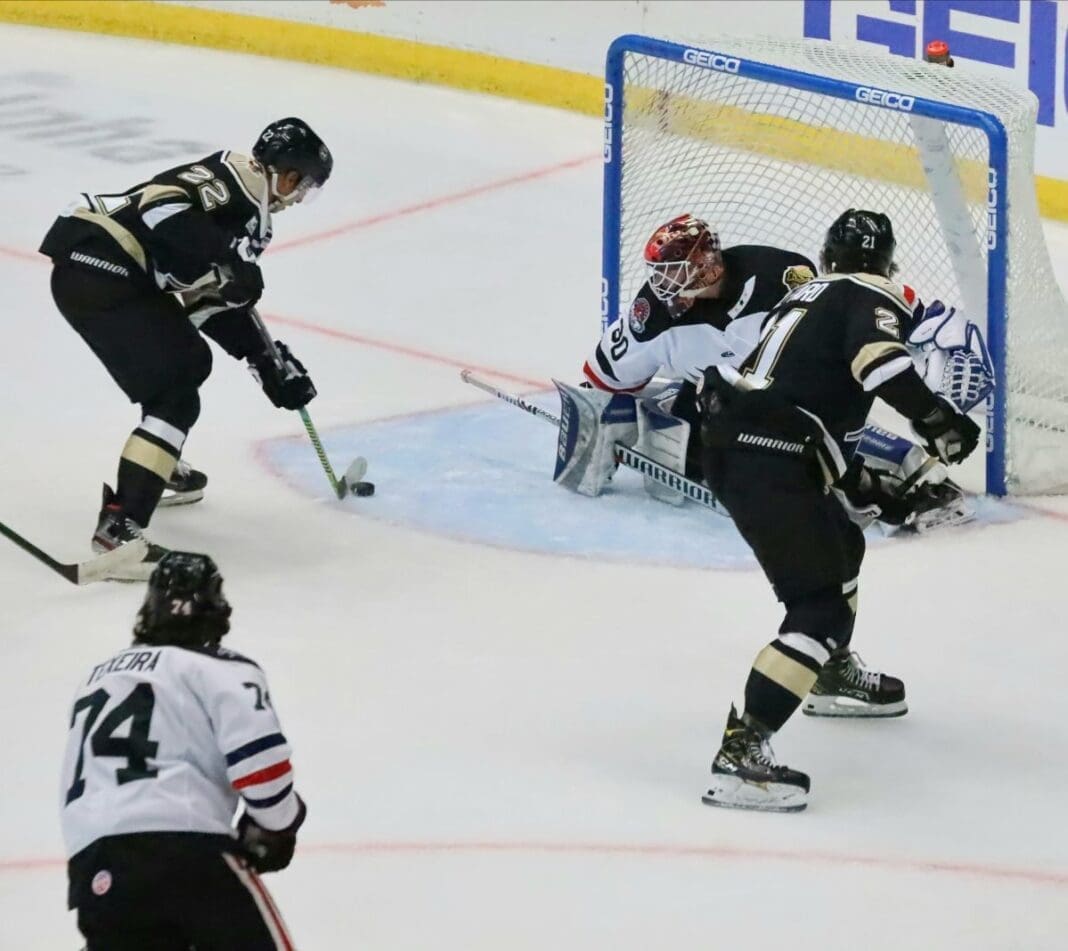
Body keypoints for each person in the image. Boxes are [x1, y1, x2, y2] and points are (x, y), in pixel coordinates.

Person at [696, 209, 979, 812]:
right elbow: (878, 363)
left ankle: (826, 672)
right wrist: (940, 423)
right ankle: (742, 755)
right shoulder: (870, 294)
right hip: (765, 456)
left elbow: (801, 397)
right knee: (819, 605)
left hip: (749, 441)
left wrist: (858, 482)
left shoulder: (803, 295)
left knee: (845, 543)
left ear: (827, 257)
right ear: (887, 264)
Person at [39, 118, 331, 580]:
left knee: (180, 366)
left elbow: (204, 302)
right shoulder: (236, 180)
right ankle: (121, 526)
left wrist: (266, 361)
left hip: (104, 272)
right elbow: (160, 202)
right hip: (100, 262)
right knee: (178, 381)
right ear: (284, 171)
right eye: (301, 183)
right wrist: (226, 258)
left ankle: (153, 468)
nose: (297, 196)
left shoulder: (251, 214)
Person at [573, 213, 977, 531]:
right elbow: (601, 381)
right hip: (719, 401)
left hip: (792, 399)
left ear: (707, 265)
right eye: (661, 273)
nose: (664, 284)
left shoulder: (777, 276)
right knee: (707, 449)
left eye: (676, 271)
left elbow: (843, 316)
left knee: (810, 441)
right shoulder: (652, 317)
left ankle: (894, 475)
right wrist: (601, 422)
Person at [60, 551, 305, 949]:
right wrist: (279, 824)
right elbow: (263, 772)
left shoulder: (95, 680)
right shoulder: (221, 669)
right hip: (189, 853)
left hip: (97, 868)